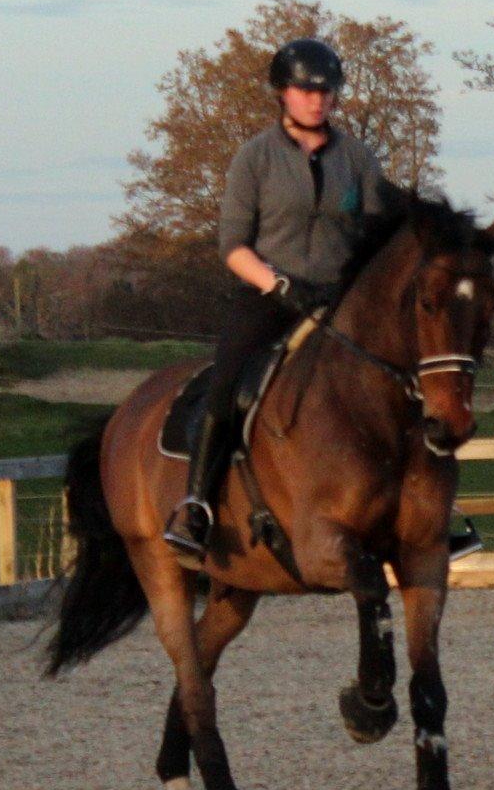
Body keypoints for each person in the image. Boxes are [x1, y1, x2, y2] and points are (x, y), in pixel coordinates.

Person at [163, 38, 384, 561]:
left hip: (339, 299)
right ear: (283, 94)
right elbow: (232, 245)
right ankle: (197, 507)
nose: (318, 100)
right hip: (269, 296)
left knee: (407, 383)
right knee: (226, 386)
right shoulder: (254, 158)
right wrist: (277, 284)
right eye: (306, 90)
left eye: (326, 91)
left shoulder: (357, 157)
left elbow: (376, 231)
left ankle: (431, 513)